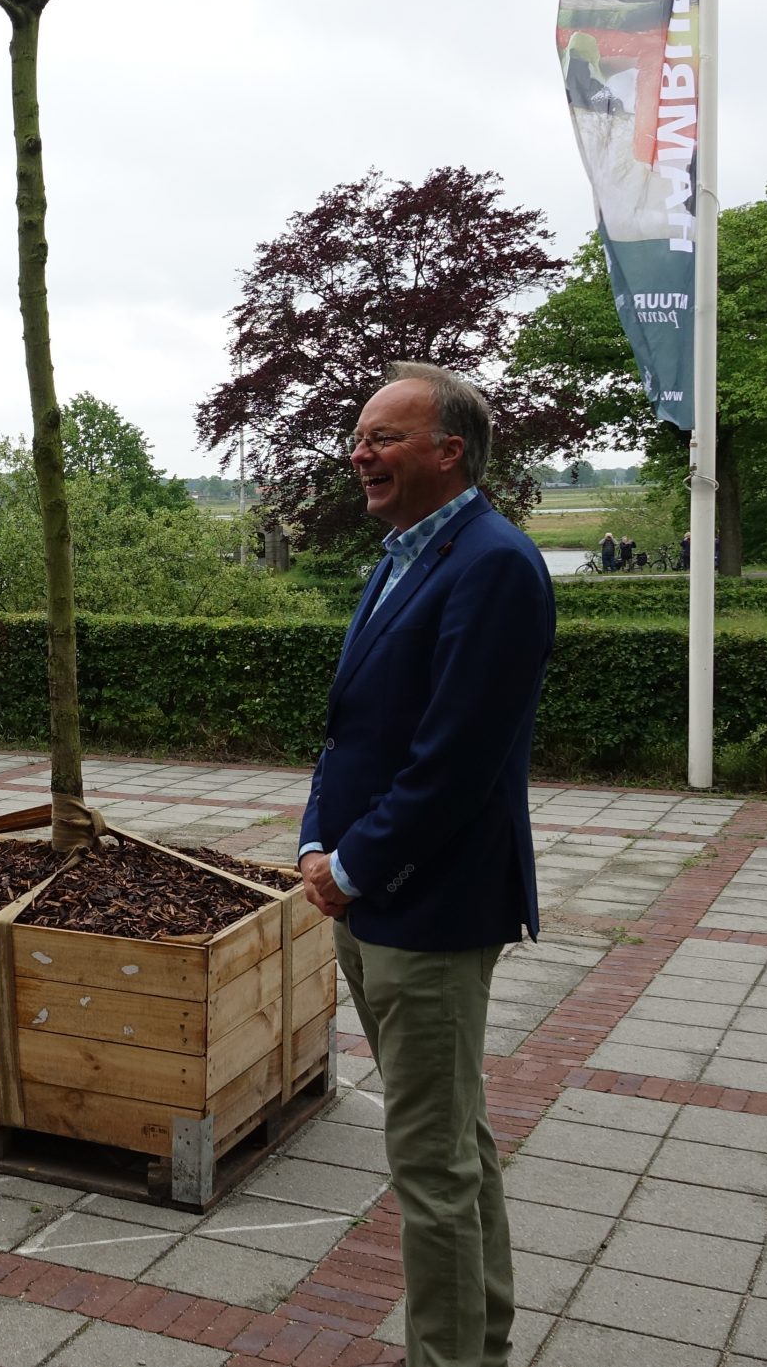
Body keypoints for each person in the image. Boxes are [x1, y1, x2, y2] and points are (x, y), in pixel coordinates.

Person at [297, 363, 555, 1367]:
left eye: (383, 437)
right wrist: (318, 843)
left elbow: (454, 759)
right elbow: (350, 729)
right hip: (366, 898)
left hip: (429, 908)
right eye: (357, 435)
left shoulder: (492, 563)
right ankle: (478, 1340)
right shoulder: (405, 553)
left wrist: (354, 866)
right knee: (453, 1144)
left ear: (449, 452)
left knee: (430, 1163)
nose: (359, 452)